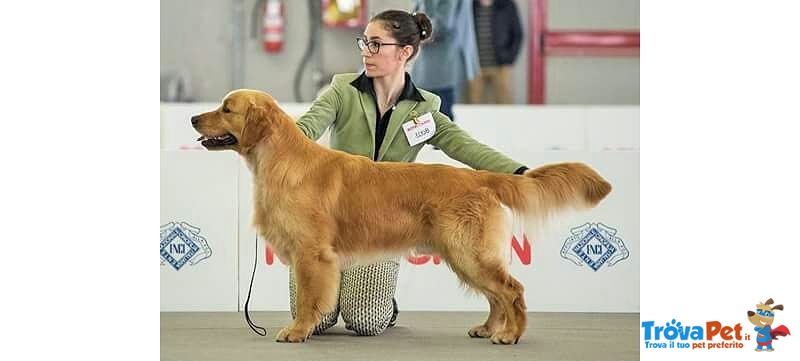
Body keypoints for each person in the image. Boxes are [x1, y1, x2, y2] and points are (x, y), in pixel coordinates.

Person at [289, 9, 529, 337]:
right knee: (318, 321)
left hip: (381, 228)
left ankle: (385, 305)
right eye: (364, 42)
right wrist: (275, 138)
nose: (365, 52)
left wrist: (519, 172)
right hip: (330, 222)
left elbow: (465, 147)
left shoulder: (424, 107)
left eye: (376, 44)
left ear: (405, 52)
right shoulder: (341, 90)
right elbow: (306, 127)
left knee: (364, 321)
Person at [409, 0, 479, 121]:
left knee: (439, 121)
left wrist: (411, 34)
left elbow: (443, 23)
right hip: (437, 67)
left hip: (439, 67)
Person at [468, 0, 523, 104]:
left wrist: (509, 58)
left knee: (505, 104)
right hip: (474, 67)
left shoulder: (507, 5)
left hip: (501, 66)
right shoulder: (470, 5)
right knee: (472, 105)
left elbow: (518, 34)